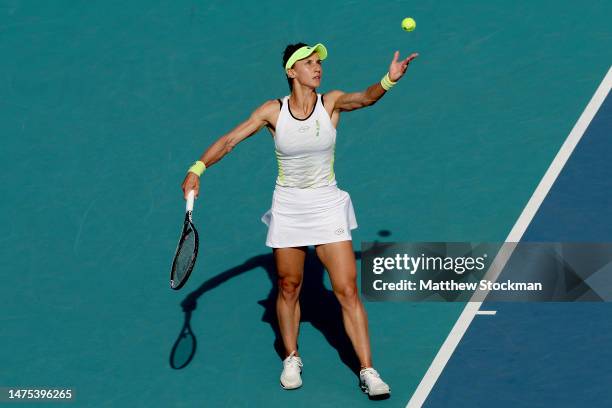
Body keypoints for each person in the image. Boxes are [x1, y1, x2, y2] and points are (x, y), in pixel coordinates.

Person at [181, 42, 418, 397]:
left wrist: (389, 80)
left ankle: (369, 371)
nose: (317, 68)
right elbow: (231, 140)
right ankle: (291, 357)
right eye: (308, 63)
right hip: (289, 207)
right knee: (289, 285)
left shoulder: (331, 102)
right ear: (292, 72)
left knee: (347, 289)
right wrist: (197, 168)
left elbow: (365, 98)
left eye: (318, 62)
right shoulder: (272, 112)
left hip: (327, 205)